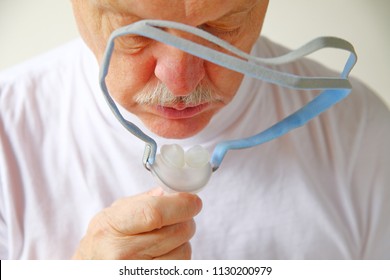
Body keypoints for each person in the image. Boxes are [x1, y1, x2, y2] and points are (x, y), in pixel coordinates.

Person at [0, 0, 389, 260]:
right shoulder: (8, 133)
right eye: (137, 33)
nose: (180, 83)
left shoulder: (364, 138)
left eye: (221, 28)